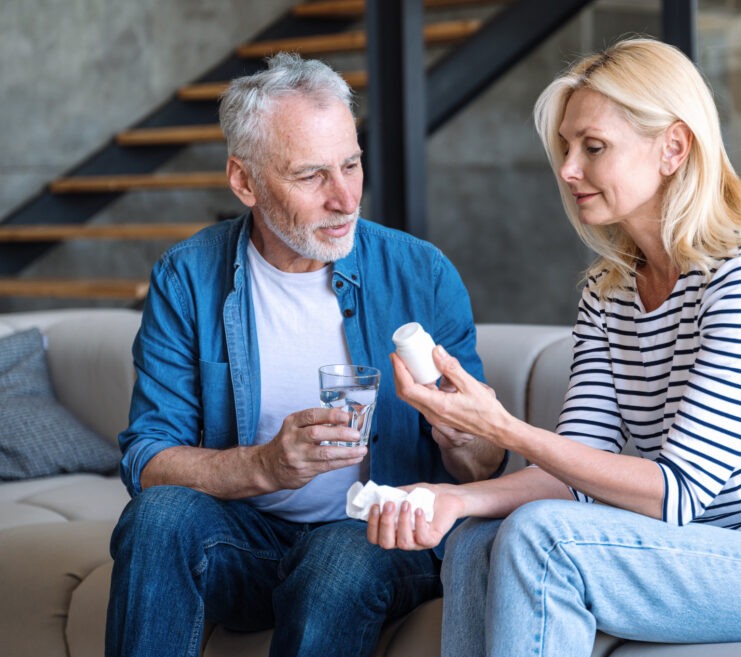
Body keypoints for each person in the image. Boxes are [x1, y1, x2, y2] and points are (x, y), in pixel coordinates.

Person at [365, 38, 741, 657]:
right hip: (709, 544)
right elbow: (578, 473)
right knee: (475, 539)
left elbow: (675, 492)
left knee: (545, 540)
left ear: (673, 148)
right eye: (567, 148)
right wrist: (456, 499)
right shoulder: (609, 290)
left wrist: (504, 429)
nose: (568, 169)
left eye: (592, 147)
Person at [105, 52, 505, 657]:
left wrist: (460, 431)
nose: (345, 199)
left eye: (351, 165)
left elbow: (484, 468)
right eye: (311, 176)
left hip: (378, 535)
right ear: (245, 181)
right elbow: (148, 459)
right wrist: (264, 467)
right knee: (158, 520)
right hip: (247, 539)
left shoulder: (421, 273)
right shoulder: (187, 278)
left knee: (337, 561)